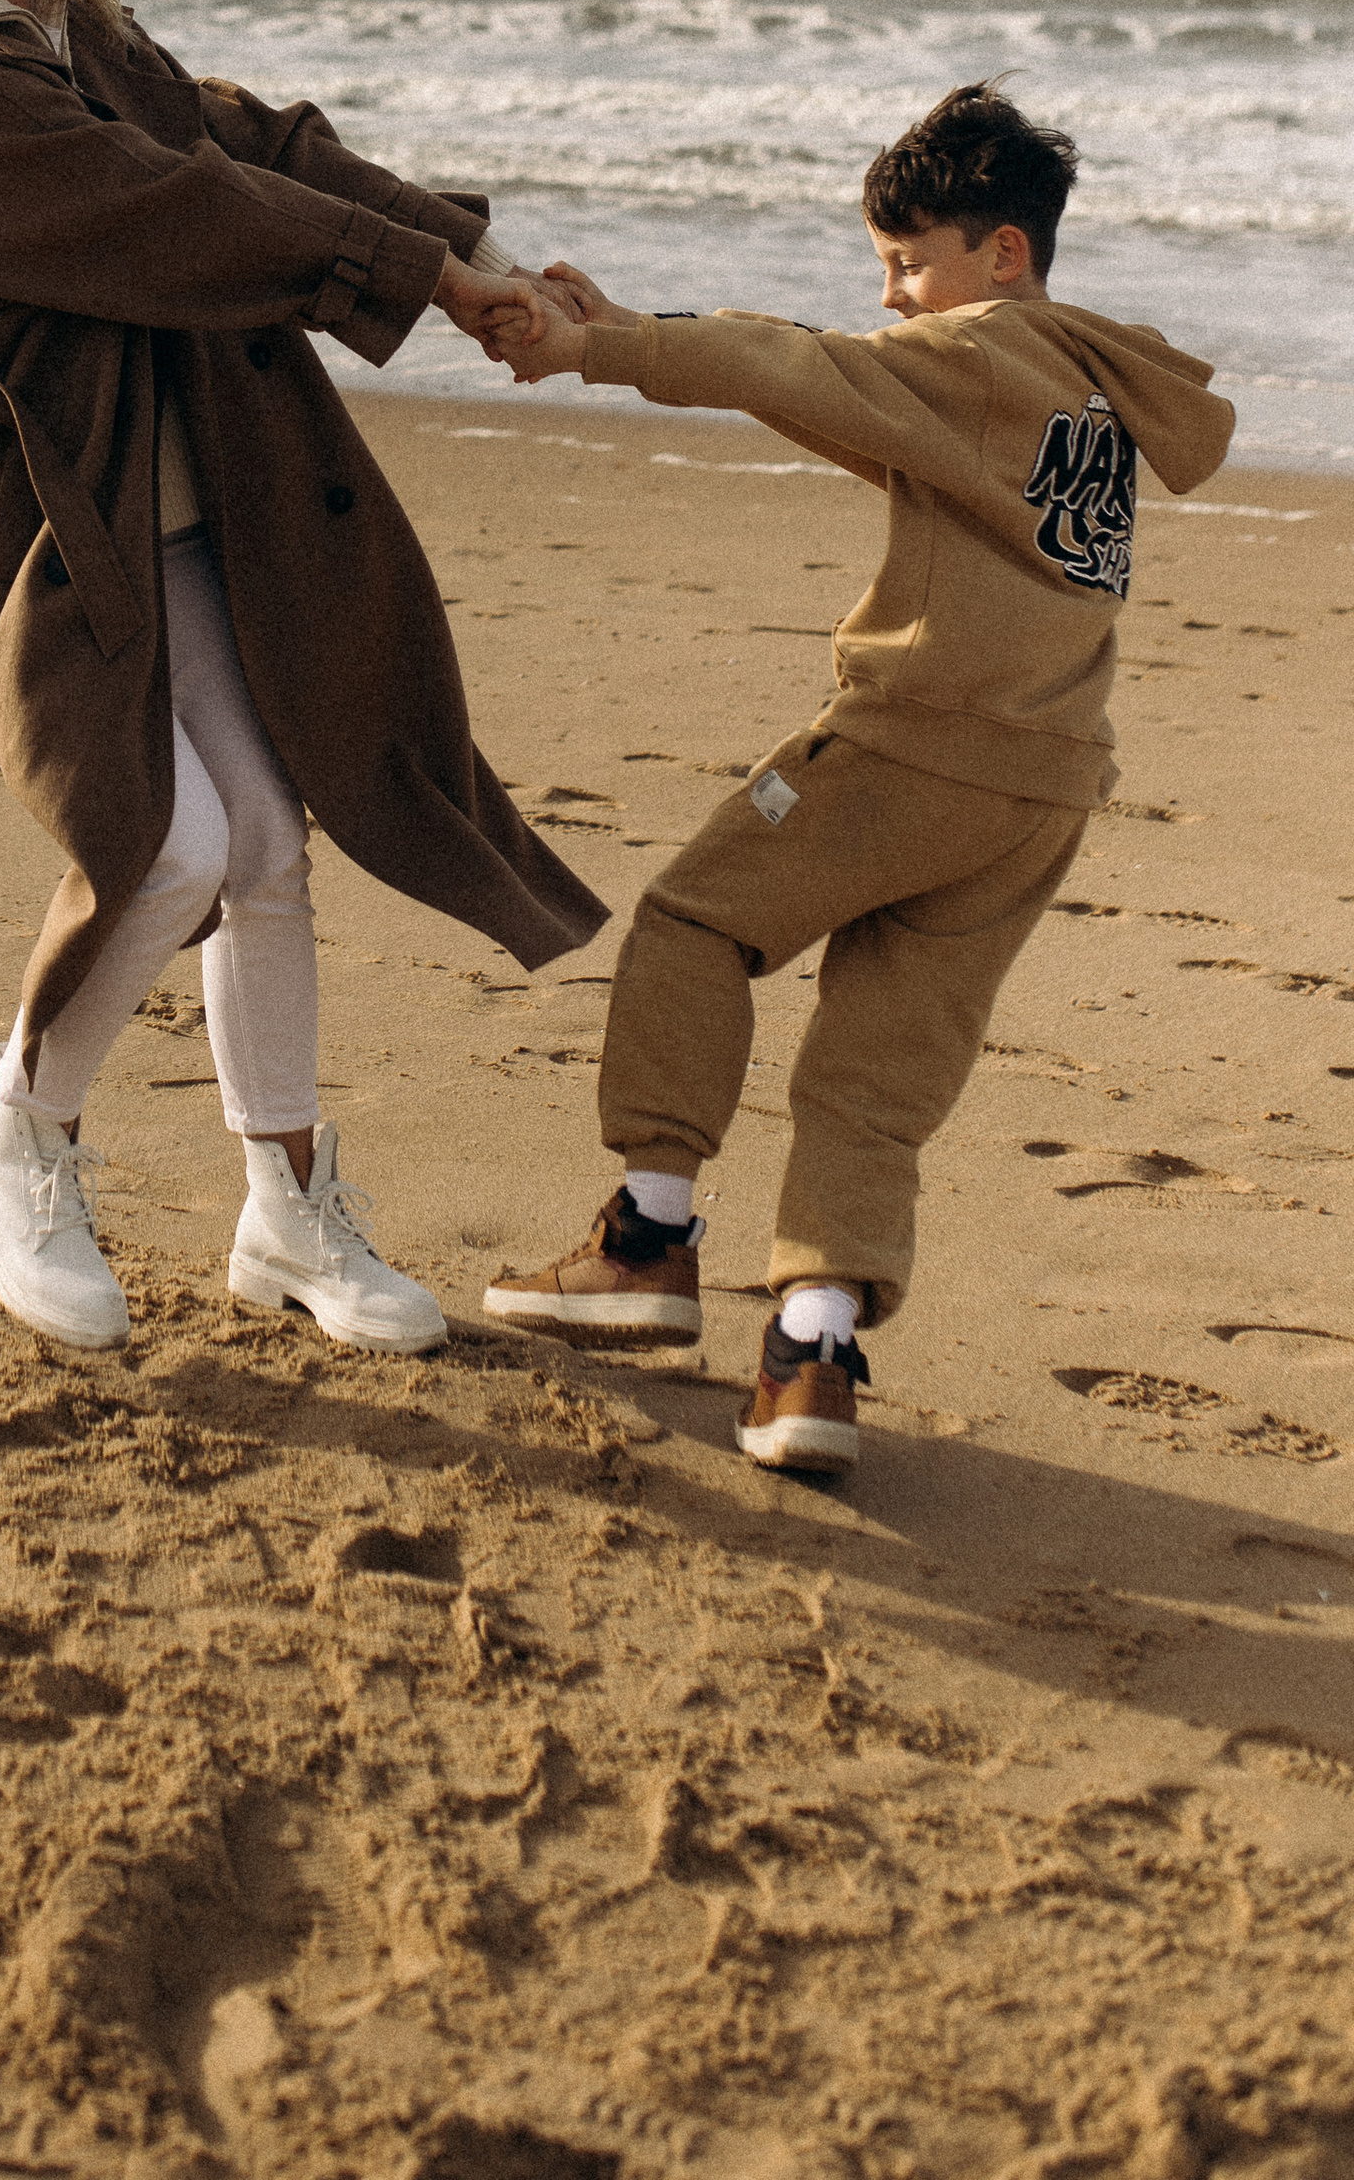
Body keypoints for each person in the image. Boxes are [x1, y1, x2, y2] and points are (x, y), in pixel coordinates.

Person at [0, 0, 605, 1356]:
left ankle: (285, 1210)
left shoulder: (66, 30)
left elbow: (246, 141)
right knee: (165, 840)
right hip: (38, 515)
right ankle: (18, 1154)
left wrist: (462, 255)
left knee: (267, 833)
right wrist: (416, 281)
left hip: (174, 488)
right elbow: (185, 213)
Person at [481, 82, 1233, 1476]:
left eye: (908, 260)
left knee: (697, 925)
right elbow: (860, 418)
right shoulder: (1082, 383)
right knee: (876, 1081)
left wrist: (602, 348)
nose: (890, 294)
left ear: (1001, 253)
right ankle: (811, 1356)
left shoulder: (981, 341)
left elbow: (796, 365)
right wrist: (621, 333)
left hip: (911, 747)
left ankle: (646, 1239)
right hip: (1042, 788)